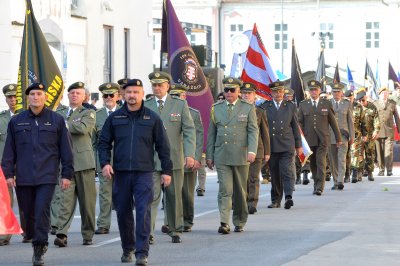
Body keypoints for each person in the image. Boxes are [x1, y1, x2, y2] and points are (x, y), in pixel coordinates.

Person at [98, 78, 172, 265]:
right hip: (121, 173)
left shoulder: (152, 118)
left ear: (141, 94)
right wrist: (105, 163)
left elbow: (163, 146)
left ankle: (142, 252)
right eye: (129, 92)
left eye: (136, 92)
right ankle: (127, 248)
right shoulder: (115, 118)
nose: (132, 95)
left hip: (144, 173)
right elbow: (104, 143)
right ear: (123, 94)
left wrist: (166, 170)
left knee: (143, 212)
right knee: (123, 212)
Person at [1, 83, 73, 266]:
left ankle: (39, 247)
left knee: (41, 210)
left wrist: (66, 174)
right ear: (27, 98)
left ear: (45, 97)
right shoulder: (16, 121)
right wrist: (8, 174)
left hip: (47, 176)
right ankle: (34, 236)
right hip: (24, 176)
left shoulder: (56, 120)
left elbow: (66, 150)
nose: (35, 97)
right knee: (28, 212)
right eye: (32, 94)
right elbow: (9, 150)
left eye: (39, 94)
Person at [144, 71, 195, 244]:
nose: (157, 88)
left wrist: (189, 154)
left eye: (160, 85)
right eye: (154, 85)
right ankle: (148, 231)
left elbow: (188, 131)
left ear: (168, 86)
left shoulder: (179, 105)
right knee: (150, 197)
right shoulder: (146, 105)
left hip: (174, 158)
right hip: (151, 159)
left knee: (173, 196)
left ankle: (174, 229)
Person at [206, 77, 258, 233]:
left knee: (240, 191)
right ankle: (224, 222)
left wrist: (252, 151)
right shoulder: (216, 108)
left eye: (232, 90)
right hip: (222, 153)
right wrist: (209, 155)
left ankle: (240, 220)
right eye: (226, 90)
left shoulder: (247, 108)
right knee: (225, 189)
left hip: (241, 154)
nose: (228, 93)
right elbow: (212, 133)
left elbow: (253, 131)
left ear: (238, 92)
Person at [53, 81, 97, 247]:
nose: (74, 95)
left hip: (84, 164)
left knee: (87, 203)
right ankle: (61, 233)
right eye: (72, 93)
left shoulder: (88, 113)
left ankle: (87, 234)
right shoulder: (60, 112)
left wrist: (62, 124)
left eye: (78, 93)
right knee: (65, 202)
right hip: (65, 165)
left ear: (84, 96)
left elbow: (83, 129)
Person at [261, 81, 302, 209]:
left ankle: (288, 196)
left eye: (280, 91)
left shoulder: (290, 106)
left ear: (283, 92)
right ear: (271, 93)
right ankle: (276, 200)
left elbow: (295, 127)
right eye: (275, 91)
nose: (278, 94)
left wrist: (298, 145)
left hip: (286, 144)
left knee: (287, 171)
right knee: (274, 173)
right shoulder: (265, 106)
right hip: (272, 145)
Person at [297, 80, 341, 196]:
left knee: (320, 161)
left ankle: (319, 187)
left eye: (315, 89)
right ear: (309, 92)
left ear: (319, 90)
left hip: (323, 138)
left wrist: (338, 138)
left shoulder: (326, 103)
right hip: (309, 138)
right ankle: (316, 184)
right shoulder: (303, 104)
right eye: (311, 90)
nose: (313, 92)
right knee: (313, 164)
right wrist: (299, 139)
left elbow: (333, 122)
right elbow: (299, 123)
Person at [169, 84, 203, 232]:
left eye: (179, 95)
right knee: (171, 192)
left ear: (184, 96)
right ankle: (172, 221)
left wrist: (196, 157)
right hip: (172, 157)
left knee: (187, 193)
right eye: (174, 95)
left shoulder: (193, 113)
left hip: (187, 157)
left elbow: (198, 136)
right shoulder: (165, 111)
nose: (176, 98)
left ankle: (187, 220)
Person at [0, 84, 29, 246]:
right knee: (4, 201)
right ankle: (4, 235)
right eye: (10, 97)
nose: (13, 100)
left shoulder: (26, 117)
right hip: (5, 166)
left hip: (24, 164)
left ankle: (28, 232)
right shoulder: (1, 119)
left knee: (26, 200)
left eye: (15, 97)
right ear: (6, 99)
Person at [92, 82, 120, 234]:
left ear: (118, 96)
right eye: (105, 95)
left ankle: (126, 223)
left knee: (125, 194)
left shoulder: (126, 112)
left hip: (124, 160)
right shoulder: (97, 115)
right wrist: (97, 163)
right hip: (105, 161)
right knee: (105, 194)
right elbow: (94, 142)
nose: (108, 98)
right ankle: (103, 224)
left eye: (111, 95)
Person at [241, 82, 270, 214]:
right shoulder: (236, 110)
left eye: (249, 93)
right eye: (244, 93)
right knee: (242, 178)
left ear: (254, 95)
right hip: (240, 150)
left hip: (257, 149)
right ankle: (242, 200)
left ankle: (252, 203)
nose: (246, 96)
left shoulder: (259, 111)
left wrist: (267, 151)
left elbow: (265, 132)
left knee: (253, 177)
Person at [328, 83, 354, 190]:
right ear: (332, 93)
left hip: (343, 135)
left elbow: (350, 121)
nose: (336, 93)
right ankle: (335, 181)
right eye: (334, 92)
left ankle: (340, 180)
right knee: (333, 160)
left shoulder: (347, 104)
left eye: (338, 92)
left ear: (342, 93)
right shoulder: (327, 103)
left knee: (342, 158)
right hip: (331, 135)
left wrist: (352, 136)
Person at [374, 87, 400, 176]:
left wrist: (399, 130)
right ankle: (381, 169)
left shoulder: (392, 103)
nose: (385, 95)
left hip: (389, 130)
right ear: (379, 94)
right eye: (383, 93)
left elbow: (396, 117)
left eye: (386, 93)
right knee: (379, 151)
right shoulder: (375, 104)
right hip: (378, 131)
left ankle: (389, 170)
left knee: (389, 151)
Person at [356, 90, 380, 181]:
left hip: (370, 135)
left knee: (370, 153)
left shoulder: (372, 107)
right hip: (359, 135)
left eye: (362, 100)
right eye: (359, 100)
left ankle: (370, 172)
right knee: (359, 154)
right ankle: (359, 172)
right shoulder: (355, 107)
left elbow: (376, 120)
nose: (361, 102)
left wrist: (376, 131)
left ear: (366, 98)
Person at [344, 89, 366, 183]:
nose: (350, 100)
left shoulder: (358, 106)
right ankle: (346, 174)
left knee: (355, 154)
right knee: (346, 155)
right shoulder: (342, 106)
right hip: (345, 134)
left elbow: (363, 122)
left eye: (351, 98)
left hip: (356, 134)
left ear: (353, 98)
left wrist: (365, 134)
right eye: (348, 98)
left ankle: (354, 173)